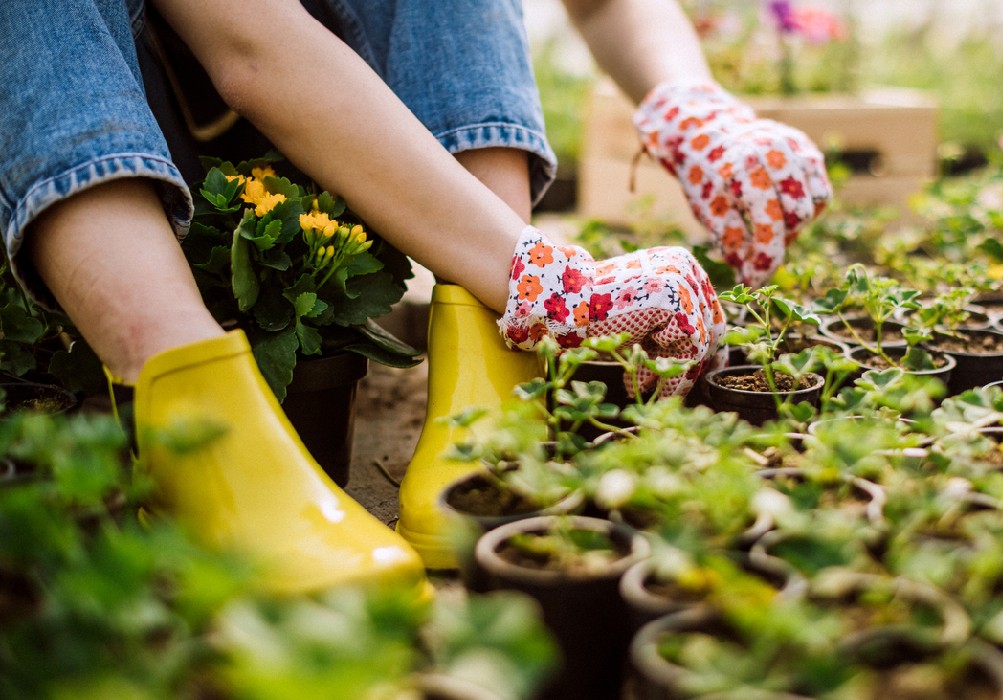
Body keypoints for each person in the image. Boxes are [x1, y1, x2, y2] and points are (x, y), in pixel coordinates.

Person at [0, 0, 829, 589]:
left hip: (340, 135)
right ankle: (187, 415)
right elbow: (247, 44)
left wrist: (692, 103)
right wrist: (549, 275)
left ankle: (488, 349)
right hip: (89, 136)